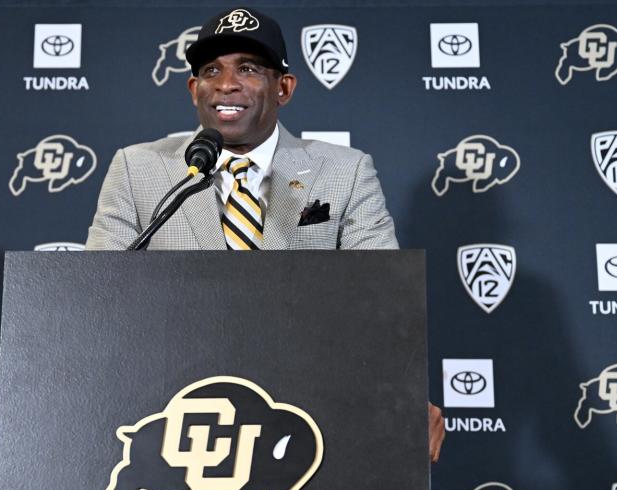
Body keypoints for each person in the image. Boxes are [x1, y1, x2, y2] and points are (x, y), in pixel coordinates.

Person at [86, 7, 444, 461]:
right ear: (194, 89)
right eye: (211, 70)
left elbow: (385, 303)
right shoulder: (139, 169)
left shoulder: (345, 172)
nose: (227, 84)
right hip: (171, 406)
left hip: (305, 407)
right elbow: (95, 297)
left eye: (249, 69)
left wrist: (404, 396)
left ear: (284, 88)